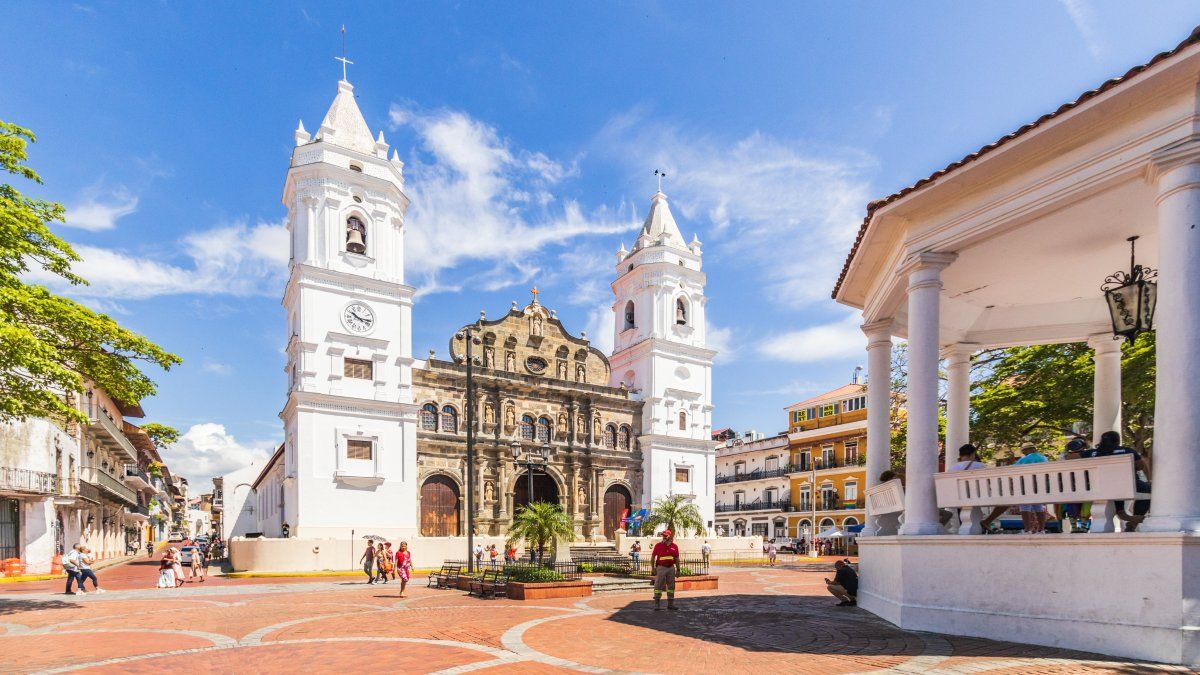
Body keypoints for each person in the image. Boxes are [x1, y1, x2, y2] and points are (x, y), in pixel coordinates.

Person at [1083, 430, 1151, 531]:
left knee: (1114, 485)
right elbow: (1140, 466)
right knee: (1149, 490)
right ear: (1117, 441)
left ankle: (1123, 514)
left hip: (1099, 486)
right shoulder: (1128, 451)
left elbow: (1070, 457)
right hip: (1124, 485)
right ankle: (1134, 519)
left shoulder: (1091, 453)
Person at [949, 444, 1007, 531]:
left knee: (963, 501)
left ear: (960, 455)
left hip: (957, 499)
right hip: (979, 497)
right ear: (973, 454)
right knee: (1006, 502)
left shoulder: (952, 468)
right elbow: (991, 482)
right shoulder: (981, 466)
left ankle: (966, 527)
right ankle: (987, 521)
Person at [1014, 444, 1051, 533]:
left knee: (1024, 506)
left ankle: (1028, 529)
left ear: (1025, 451)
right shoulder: (1044, 458)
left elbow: (1014, 471)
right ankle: (1041, 529)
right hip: (1041, 487)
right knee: (1039, 506)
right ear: (1034, 449)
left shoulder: (1023, 460)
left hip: (1027, 487)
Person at [650, 529, 680, 611]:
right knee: (658, 585)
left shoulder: (674, 546)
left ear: (669, 536)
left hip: (671, 568)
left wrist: (678, 570)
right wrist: (653, 568)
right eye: (663, 535)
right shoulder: (658, 545)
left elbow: (677, 559)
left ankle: (670, 604)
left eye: (665, 535)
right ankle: (657, 604)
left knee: (671, 586)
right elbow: (653, 557)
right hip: (661, 568)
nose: (664, 537)